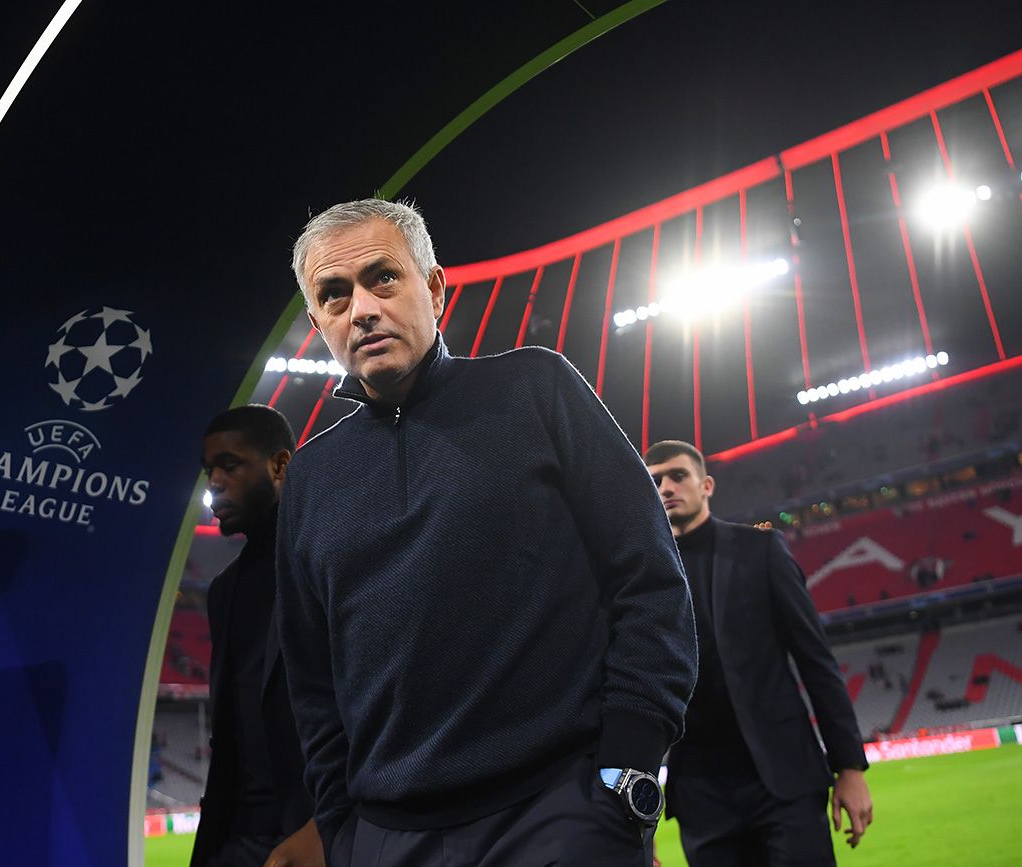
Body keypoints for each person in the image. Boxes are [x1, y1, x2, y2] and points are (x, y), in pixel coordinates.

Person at [275, 199, 698, 867]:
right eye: (334, 295)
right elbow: (312, 684)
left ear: (434, 287)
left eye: (382, 277)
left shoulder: (537, 388)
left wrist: (627, 770)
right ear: (318, 321)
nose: (360, 308)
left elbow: (649, 580)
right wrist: (345, 830)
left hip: (559, 812)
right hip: (390, 838)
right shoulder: (307, 480)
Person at [643, 439, 874, 866]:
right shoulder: (643, 577)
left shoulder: (760, 550)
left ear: (706, 484)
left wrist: (850, 768)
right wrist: (639, 826)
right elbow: (642, 697)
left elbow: (816, 661)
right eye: (655, 481)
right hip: (701, 798)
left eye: (678, 476)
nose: (666, 487)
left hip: (783, 781)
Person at [190, 405, 323, 867]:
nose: (215, 482)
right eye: (210, 471)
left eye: (230, 465)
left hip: (312, 832)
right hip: (233, 838)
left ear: (280, 465)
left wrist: (327, 825)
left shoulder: (326, 560)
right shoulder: (223, 592)